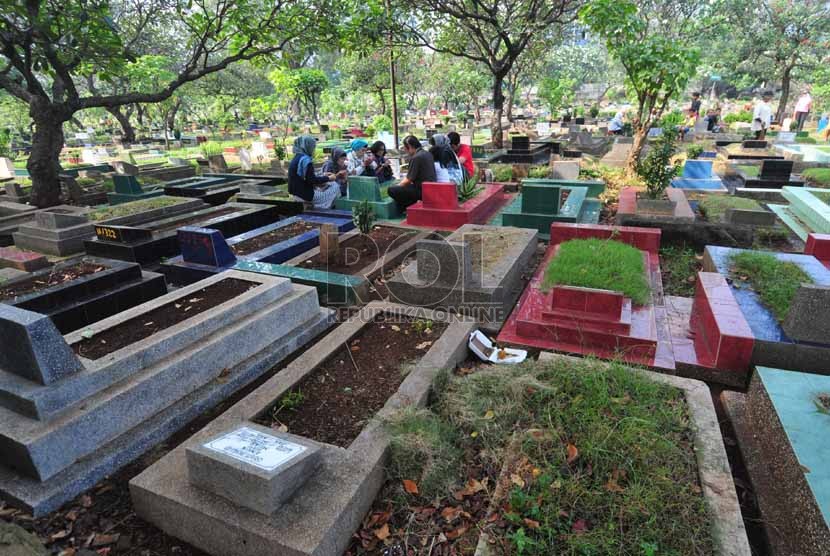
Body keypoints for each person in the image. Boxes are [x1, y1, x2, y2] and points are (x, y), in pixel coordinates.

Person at [288, 135, 341, 209]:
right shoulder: (306, 160)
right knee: (335, 186)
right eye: (313, 147)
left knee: (326, 186)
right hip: (305, 195)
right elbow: (312, 180)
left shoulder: (297, 157)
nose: (313, 150)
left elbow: (306, 176)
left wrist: (323, 175)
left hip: (296, 193)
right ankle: (321, 208)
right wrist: (328, 178)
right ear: (307, 146)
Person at [388, 135, 436, 212]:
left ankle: (407, 208)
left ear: (409, 146)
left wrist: (398, 186)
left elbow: (408, 179)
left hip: (422, 191)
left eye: (405, 148)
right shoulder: (427, 153)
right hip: (430, 188)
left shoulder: (416, 157)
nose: (405, 151)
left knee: (392, 190)